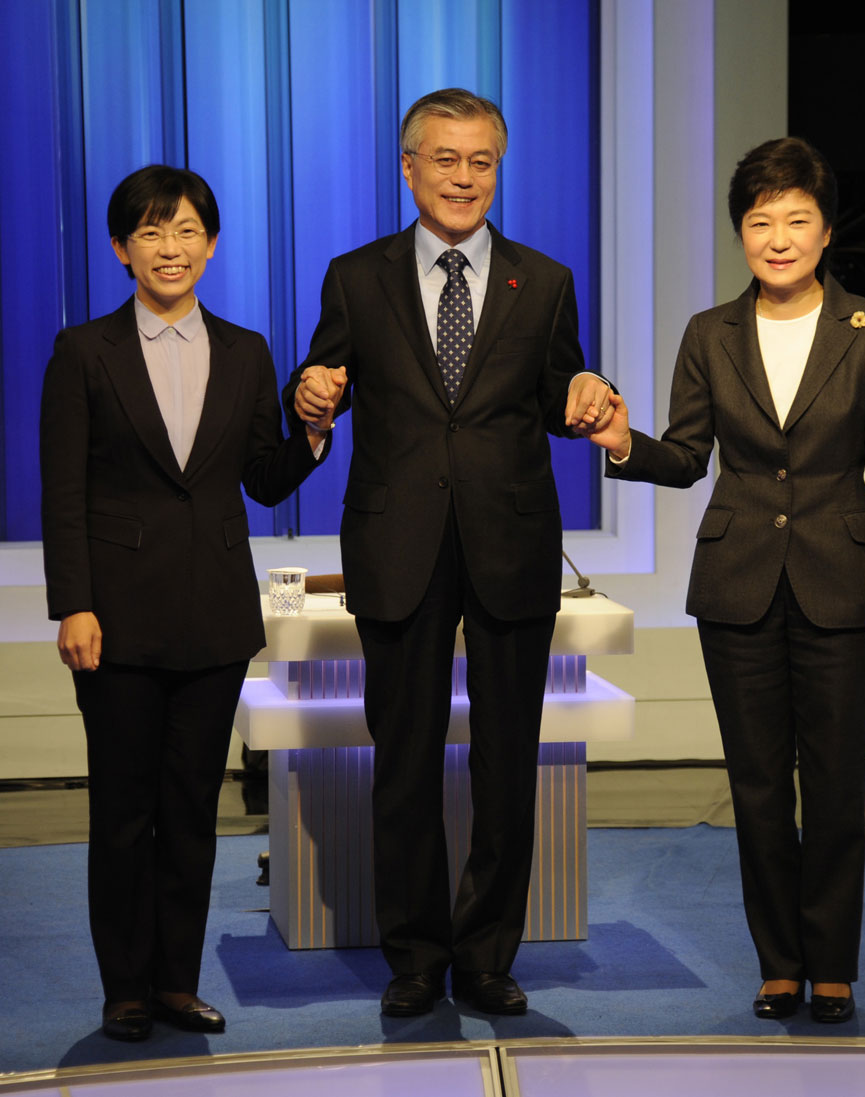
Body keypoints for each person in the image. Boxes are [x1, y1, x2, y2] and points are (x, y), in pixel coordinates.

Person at [286, 88, 611, 1016]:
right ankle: (416, 954)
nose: (464, 178)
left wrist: (591, 390)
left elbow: (562, 390)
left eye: (481, 162)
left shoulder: (542, 281)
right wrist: (306, 396)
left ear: (497, 168)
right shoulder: (356, 276)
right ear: (409, 166)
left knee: (511, 763)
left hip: (509, 544)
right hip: (399, 546)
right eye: (446, 159)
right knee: (404, 763)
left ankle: (488, 952)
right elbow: (323, 383)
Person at [588, 137, 865, 1024]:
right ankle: (780, 962)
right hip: (736, 586)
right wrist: (623, 441)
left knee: (837, 781)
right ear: (741, 232)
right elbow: (688, 454)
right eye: (760, 220)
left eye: (796, 220)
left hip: (844, 584)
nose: (778, 237)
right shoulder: (709, 332)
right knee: (760, 783)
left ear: (825, 230)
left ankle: (834, 965)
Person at [40, 165, 332, 1041]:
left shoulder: (245, 350)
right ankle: (124, 987)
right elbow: (64, 493)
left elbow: (263, 477)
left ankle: (176, 980)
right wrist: (74, 604)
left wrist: (312, 434)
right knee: (124, 814)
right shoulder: (84, 352)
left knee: (192, 814)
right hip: (117, 621)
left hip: (213, 620)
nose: (172, 248)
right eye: (152, 233)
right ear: (122, 249)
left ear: (212, 243)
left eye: (188, 231)